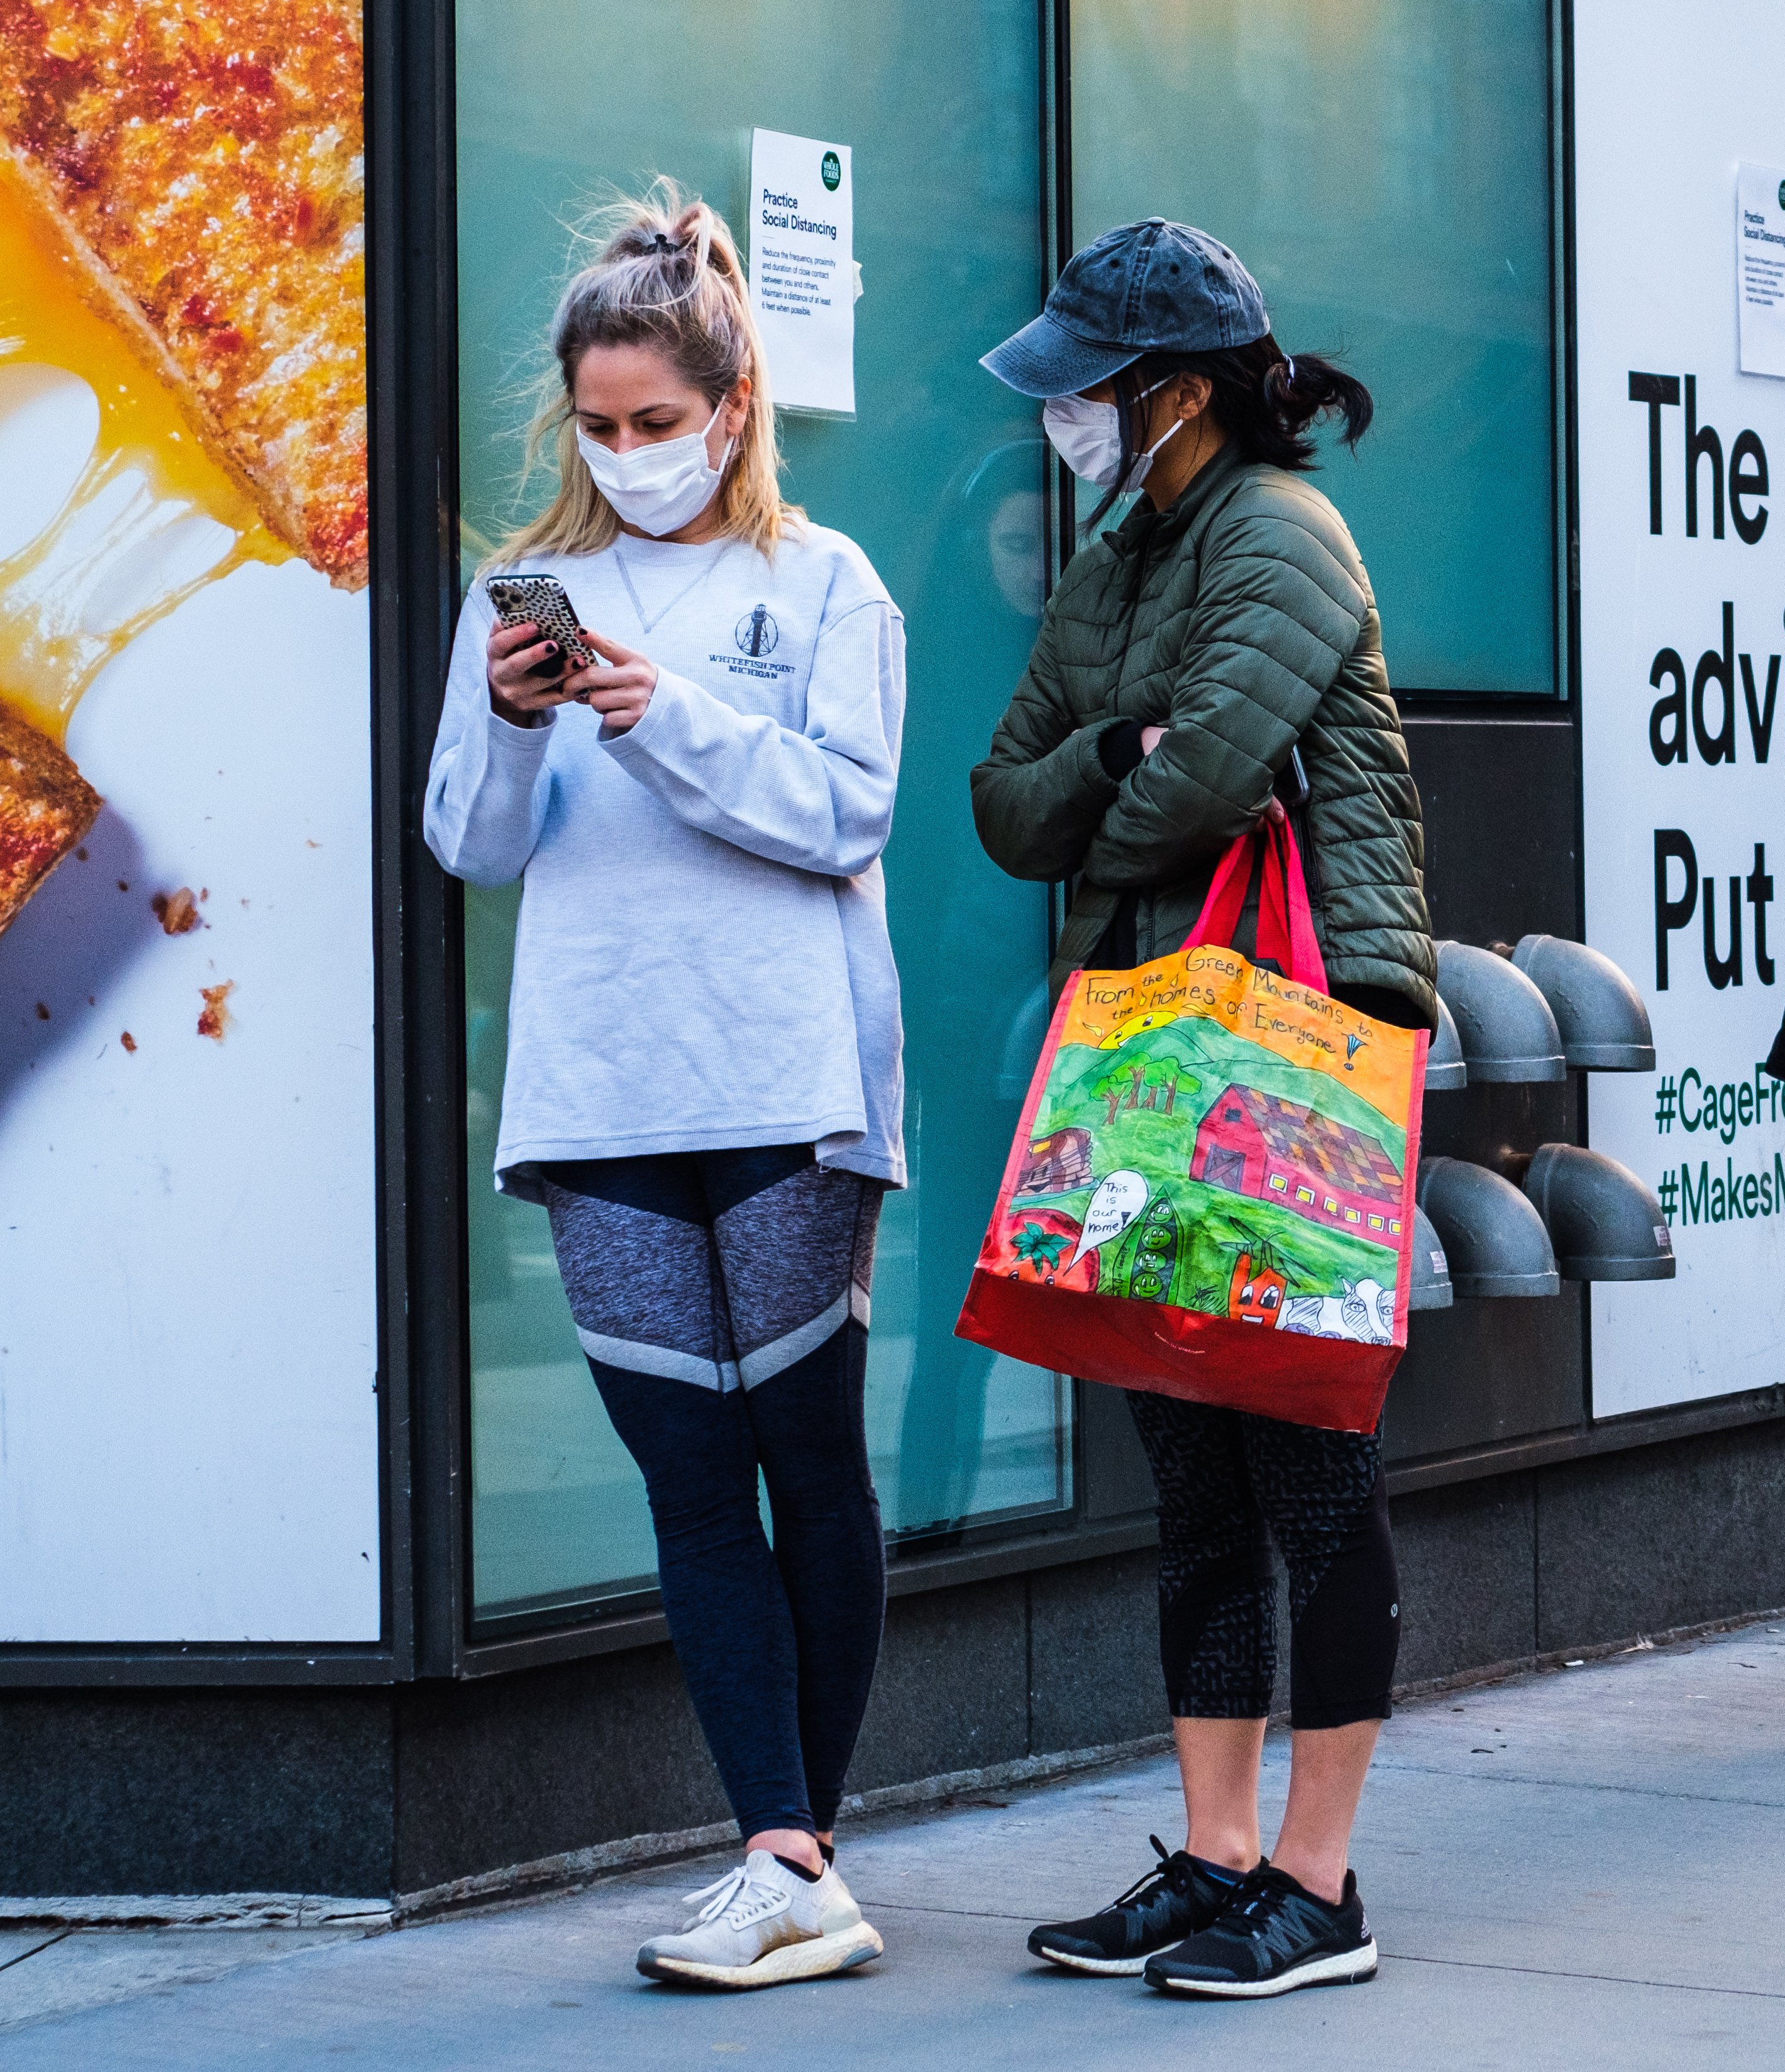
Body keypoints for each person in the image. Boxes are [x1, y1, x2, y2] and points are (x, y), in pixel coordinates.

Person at [423, 189, 905, 1990]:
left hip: (789, 1078)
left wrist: (664, 715)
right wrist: (517, 709)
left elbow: (847, 813)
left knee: (808, 1459)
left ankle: (799, 1849)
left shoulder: (826, 579)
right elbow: (469, 843)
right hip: (599, 1085)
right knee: (691, 1483)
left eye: (656, 422)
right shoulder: (518, 595)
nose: (627, 456)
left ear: (728, 401)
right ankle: (782, 1855)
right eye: (599, 427)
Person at [970, 220, 1434, 1997]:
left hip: (1294, 1042)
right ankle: (1218, 1855)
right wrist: (1110, 759)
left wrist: (1135, 778)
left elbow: (1213, 787)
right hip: (1153, 1041)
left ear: (1171, 390)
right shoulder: (1130, 544)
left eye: (1091, 387)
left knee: (1309, 1460)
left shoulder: (1281, 532)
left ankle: (1319, 1886)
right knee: (1188, 1469)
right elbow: (1011, 801)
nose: (1069, 417)